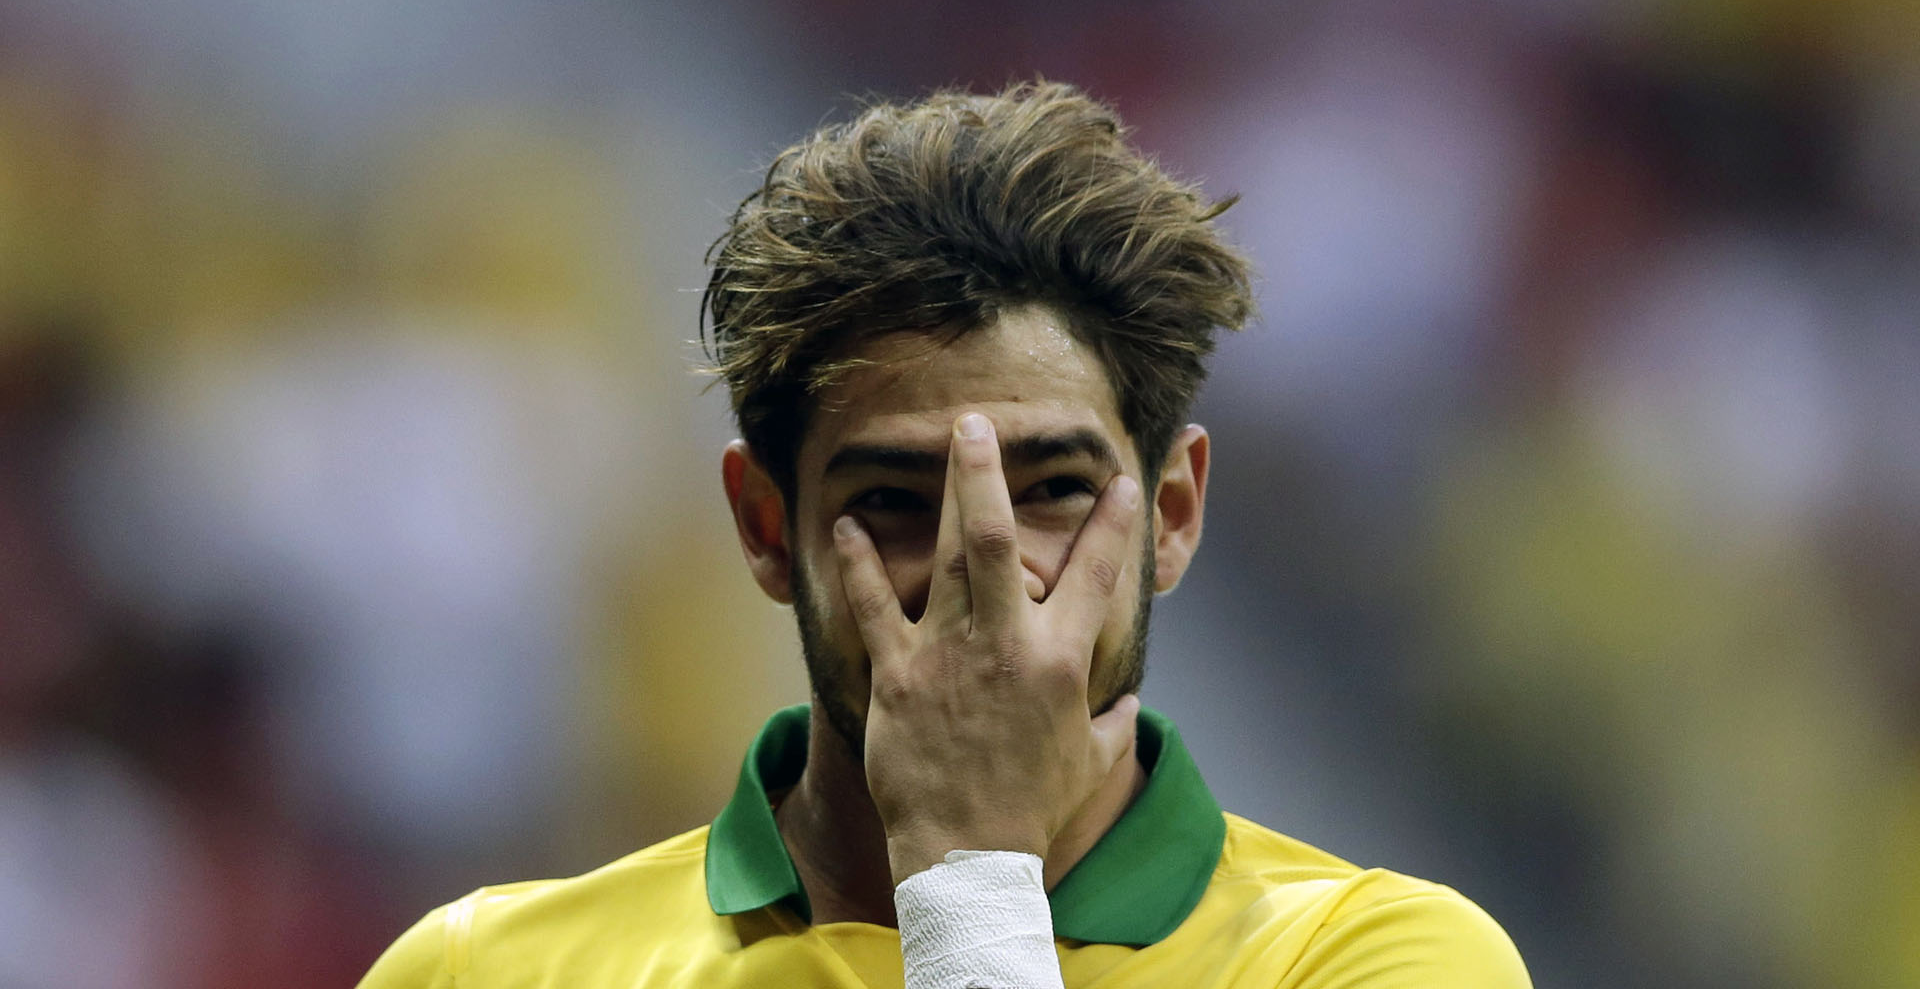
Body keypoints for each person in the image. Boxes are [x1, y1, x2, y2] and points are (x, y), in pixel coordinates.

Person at [357, 81, 1532, 988]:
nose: (987, 565)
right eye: (894, 500)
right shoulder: (485, 969)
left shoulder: (1376, 958)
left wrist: (969, 875)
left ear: (1173, 513)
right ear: (767, 529)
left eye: (1057, 487)